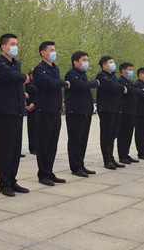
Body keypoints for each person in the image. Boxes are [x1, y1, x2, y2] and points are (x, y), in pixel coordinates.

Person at [0, 34, 31, 196]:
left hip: (17, 110)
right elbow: (13, 76)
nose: (15, 47)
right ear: (3, 46)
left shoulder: (16, 64)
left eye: (16, 44)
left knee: (15, 149)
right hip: (4, 110)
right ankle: (4, 183)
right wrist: (24, 77)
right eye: (12, 44)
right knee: (5, 148)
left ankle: (12, 180)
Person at [33, 41, 70, 186]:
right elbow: (50, 83)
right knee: (44, 143)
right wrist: (63, 83)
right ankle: (43, 174)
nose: (54, 52)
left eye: (54, 49)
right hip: (44, 111)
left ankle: (49, 171)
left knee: (52, 143)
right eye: (51, 50)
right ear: (43, 52)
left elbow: (56, 87)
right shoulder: (39, 69)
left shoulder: (55, 68)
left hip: (55, 110)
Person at [64, 52, 99, 177]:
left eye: (87, 60)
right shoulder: (71, 74)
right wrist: (96, 83)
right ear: (75, 62)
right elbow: (81, 86)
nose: (86, 62)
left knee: (83, 140)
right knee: (75, 140)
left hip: (85, 112)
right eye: (84, 60)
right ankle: (75, 167)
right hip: (75, 112)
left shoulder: (83, 74)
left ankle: (81, 164)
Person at [96, 56, 128, 170]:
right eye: (110, 62)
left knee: (113, 135)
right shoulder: (101, 76)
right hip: (106, 109)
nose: (113, 64)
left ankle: (111, 158)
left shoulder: (113, 76)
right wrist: (122, 88)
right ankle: (107, 160)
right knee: (106, 135)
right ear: (104, 65)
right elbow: (112, 86)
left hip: (116, 109)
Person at [117, 63, 144, 164]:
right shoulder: (121, 81)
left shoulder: (130, 81)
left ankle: (126, 154)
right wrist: (140, 91)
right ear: (123, 70)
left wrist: (138, 91)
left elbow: (134, 90)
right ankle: (122, 156)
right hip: (125, 111)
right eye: (129, 69)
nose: (131, 71)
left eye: (132, 69)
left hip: (132, 110)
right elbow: (131, 91)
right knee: (123, 134)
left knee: (129, 134)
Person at [25, 70, 37, 155]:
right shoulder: (29, 84)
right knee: (32, 129)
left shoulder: (37, 82)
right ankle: (33, 147)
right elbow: (35, 91)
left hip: (37, 107)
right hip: (31, 109)